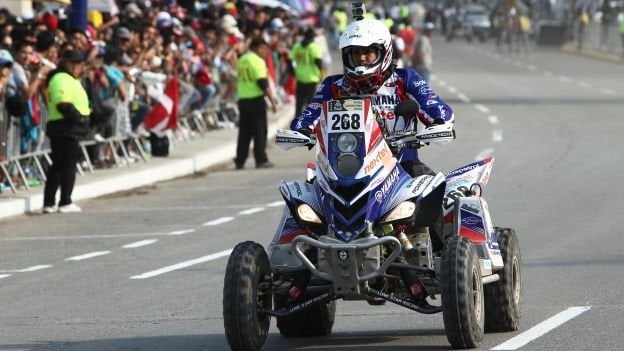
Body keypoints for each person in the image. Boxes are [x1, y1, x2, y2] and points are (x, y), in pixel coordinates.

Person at [290, 18, 454, 308]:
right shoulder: (333, 86)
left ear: (384, 51)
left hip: (401, 168)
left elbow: (438, 110)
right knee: (302, 204)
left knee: (435, 192)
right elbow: (308, 116)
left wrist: (440, 124)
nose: (362, 58)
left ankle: (447, 261)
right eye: (355, 53)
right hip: (342, 172)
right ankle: (290, 270)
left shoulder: (406, 80)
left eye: (368, 52)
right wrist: (299, 131)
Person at [42, 50, 90, 213]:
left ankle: (49, 203)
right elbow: (62, 103)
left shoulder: (69, 78)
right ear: (65, 63)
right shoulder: (62, 78)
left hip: (65, 127)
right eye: (74, 62)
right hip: (66, 126)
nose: (78, 66)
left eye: (79, 63)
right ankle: (65, 201)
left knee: (59, 165)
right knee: (67, 166)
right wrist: (79, 118)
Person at [234, 37, 278, 170]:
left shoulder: (242, 60)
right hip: (255, 100)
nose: (265, 52)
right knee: (259, 131)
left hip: (243, 99)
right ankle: (261, 159)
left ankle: (240, 160)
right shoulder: (257, 61)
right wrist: (272, 101)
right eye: (263, 48)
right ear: (256, 48)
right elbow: (262, 82)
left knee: (244, 132)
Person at [290, 27, 323, 118]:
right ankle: (307, 121)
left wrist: (293, 72)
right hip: (312, 77)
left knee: (299, 102)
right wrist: (320, 74)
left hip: (300, 77)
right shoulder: (314, 46)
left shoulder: (297, 46)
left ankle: (297, 120)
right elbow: (318, 62)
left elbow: (291, 59)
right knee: (310, 102)